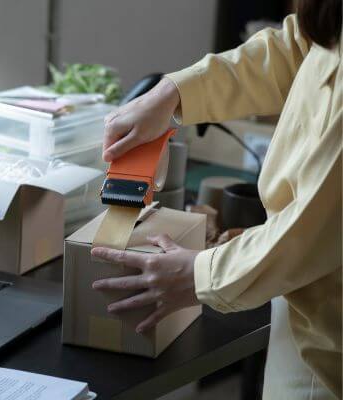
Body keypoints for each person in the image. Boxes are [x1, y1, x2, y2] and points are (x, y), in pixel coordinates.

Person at [91, 1, 342, 398]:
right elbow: (299, 48)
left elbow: (312, 230)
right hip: (307, 313)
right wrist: (175, 91)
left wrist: (199, 275)